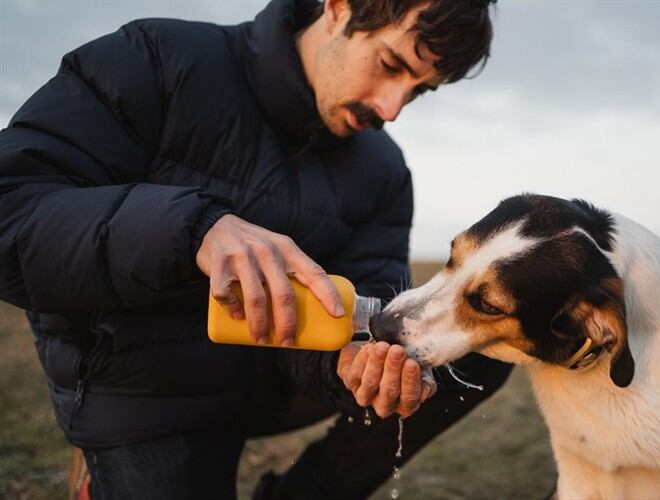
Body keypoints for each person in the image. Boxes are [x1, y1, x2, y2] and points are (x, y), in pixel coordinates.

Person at [0, 0, 512, 498]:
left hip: (277, 381)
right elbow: (12, 211)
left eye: (420, 91)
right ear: (338, 8)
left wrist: (358, 361)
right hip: (147, 394)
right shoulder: (155, 57)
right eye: (390, 65)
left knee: (476, 349)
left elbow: (367, 294)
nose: (391, 108)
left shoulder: (384, 168)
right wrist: (192, 230)